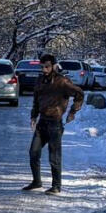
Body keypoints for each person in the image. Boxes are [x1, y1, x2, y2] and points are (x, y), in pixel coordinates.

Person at [25, 53, 84, 195]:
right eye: (42, 67)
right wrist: (34, 116)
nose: (44, 69)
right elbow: (36, 100)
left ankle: (56, 186)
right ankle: (36, 181)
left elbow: (79, 93)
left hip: (55, 123)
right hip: (42, 122)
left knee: (54, 156)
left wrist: (72, 112)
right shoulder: (40, 80)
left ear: (53, 66)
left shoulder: (62, 81)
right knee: (33, 152)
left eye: (47, 67)